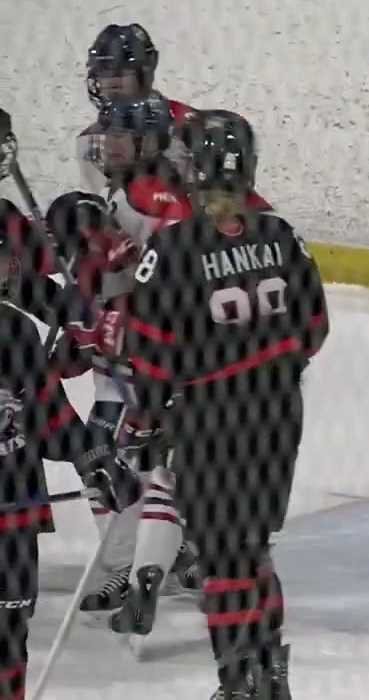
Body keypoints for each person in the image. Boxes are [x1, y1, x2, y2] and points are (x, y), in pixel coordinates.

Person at [78, 109, 328, 699]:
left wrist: (143, 421)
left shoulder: (174, 247)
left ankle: (237, 684)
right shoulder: (281, 233)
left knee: (221, 562)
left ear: (194, 170)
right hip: (277, 416)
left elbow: (151, 353)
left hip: (209, 422)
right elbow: (315, 327)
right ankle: (270, 674)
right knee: (253, 551)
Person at [0, 117, 142, 700]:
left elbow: (47, 413)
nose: (10, 267)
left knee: (10, 632)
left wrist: (91, 456)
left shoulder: (13, 331)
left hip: (11, 509)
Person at [55, 91, 204, 615]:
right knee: (109, 453)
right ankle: (154, 556)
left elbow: (173, 282)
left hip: (161, 354)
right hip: (126, 353)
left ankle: (142, 561)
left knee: (137, 455)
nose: (108, 147)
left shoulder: (156, 199)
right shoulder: (128, 193)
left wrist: (120, 315)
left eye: (119, 138)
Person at [77, 23, 197, 191]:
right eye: (103, 72)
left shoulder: (187, 127)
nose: (111, 82)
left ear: (145, 74)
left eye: (120, 72)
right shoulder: (89, 140)